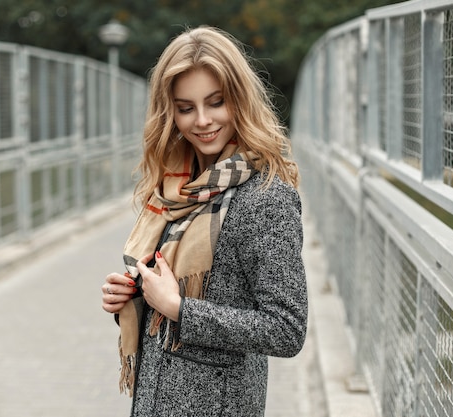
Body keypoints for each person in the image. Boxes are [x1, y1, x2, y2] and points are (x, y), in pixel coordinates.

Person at [102, 25, 308, 417]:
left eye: (216, 102)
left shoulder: (265, 199)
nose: (202, 121)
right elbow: (164, 312)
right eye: (185, 108)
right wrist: (134, 299)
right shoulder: (175, 190)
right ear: (170, 112)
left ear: (239, 100)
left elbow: (286, 329)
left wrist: (181, 309)